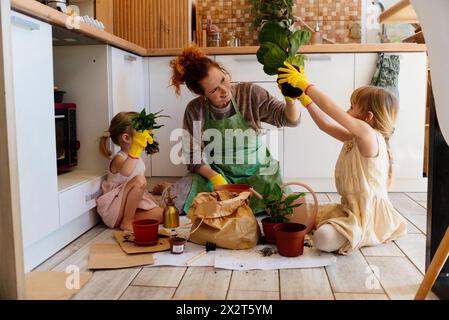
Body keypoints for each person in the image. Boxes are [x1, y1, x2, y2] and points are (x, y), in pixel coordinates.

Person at [277, 62, 407, 254]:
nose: (347, 111)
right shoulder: (356, 138)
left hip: (368, 217)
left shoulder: (368, 135)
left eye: (352, 107)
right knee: (290, 210)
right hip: (350, 209)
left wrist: (304, 84)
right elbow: (326, 125)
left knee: (323, 238)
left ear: (367, 117)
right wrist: (304, 99)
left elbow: (330, 109)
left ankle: (356, 233)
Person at [157, 46, 306, 214]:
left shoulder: (249, 94)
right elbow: (192, 156)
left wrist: (290, 99)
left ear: (223, 71)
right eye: (214, 90)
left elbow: (290, 120)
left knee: (287, 207)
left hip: (259, 173)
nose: (224, 90)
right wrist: (214, 177)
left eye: (222, 79)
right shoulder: (195, 110)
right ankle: (168, 187)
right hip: (221, 174)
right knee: (175, 199)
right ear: (202, 95)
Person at [96, 112, 163, 231]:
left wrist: (156, 203)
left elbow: (141, 190)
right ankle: (127, 222)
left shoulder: (137, 159)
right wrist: (136, 148)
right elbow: (127, 172)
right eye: (141, 134)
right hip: (114, 208)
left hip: (129, 208)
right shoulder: (119, 158)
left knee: (162, 214)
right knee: (140, 180)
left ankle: (128, 219)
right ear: (126, 138)